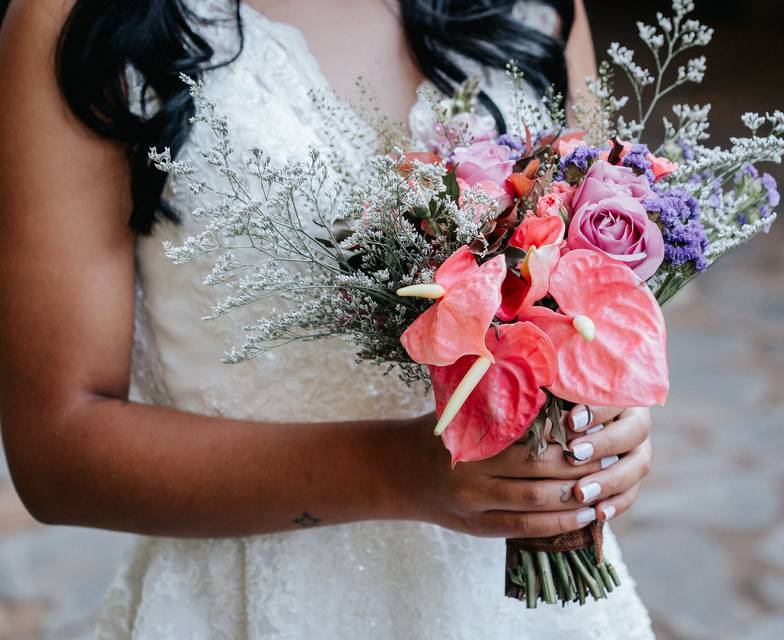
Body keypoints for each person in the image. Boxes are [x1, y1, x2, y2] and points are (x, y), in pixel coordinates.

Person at [0, 1, 656, 637]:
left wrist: (602, 428)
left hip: (525, 613)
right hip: (249, 604)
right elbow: (57, 452)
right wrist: (399, 472)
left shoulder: (536, 10)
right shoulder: (84, 19)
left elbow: (581, 288)